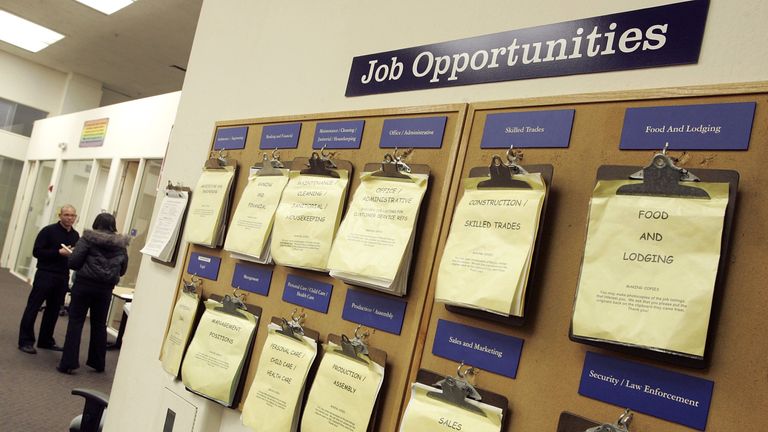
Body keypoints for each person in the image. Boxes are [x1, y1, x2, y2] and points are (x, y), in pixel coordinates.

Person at [57, 213, 129, 374]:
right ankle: (97, 362)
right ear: (113, 225)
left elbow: (74, 262)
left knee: (75, 322)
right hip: (105, 290)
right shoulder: (120, 245)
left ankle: (68, 363)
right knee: (99, 325)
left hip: (84, 285)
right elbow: (123, 270)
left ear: (96, 223)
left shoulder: (87, 239)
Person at [18, 205, 80, 354]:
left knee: (53, 310)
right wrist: (58, 252)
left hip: (62, 276)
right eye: (66, 215)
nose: (70, 218)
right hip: (45, 273)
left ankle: (45, 340)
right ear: (60, 215)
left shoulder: (75, 235)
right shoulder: (48, 231)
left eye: (72, 215)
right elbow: (37, 252)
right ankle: (25, 341)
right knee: (33, 307)